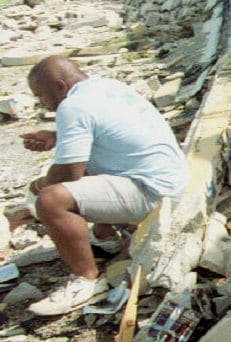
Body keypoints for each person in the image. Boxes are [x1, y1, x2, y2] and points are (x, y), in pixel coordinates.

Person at [20, 55, 188, 316]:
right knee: (83, 167)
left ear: (60, 86)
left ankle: (86, 281)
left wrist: (38, 189)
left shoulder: (72, 107)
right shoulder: (107, 87)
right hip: (173, 179)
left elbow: (69, 173)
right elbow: (112, 133)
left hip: (155, 194)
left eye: (40, 95)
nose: (41, 104)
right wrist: (57, 137)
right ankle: (106, 235)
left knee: (50, 199)